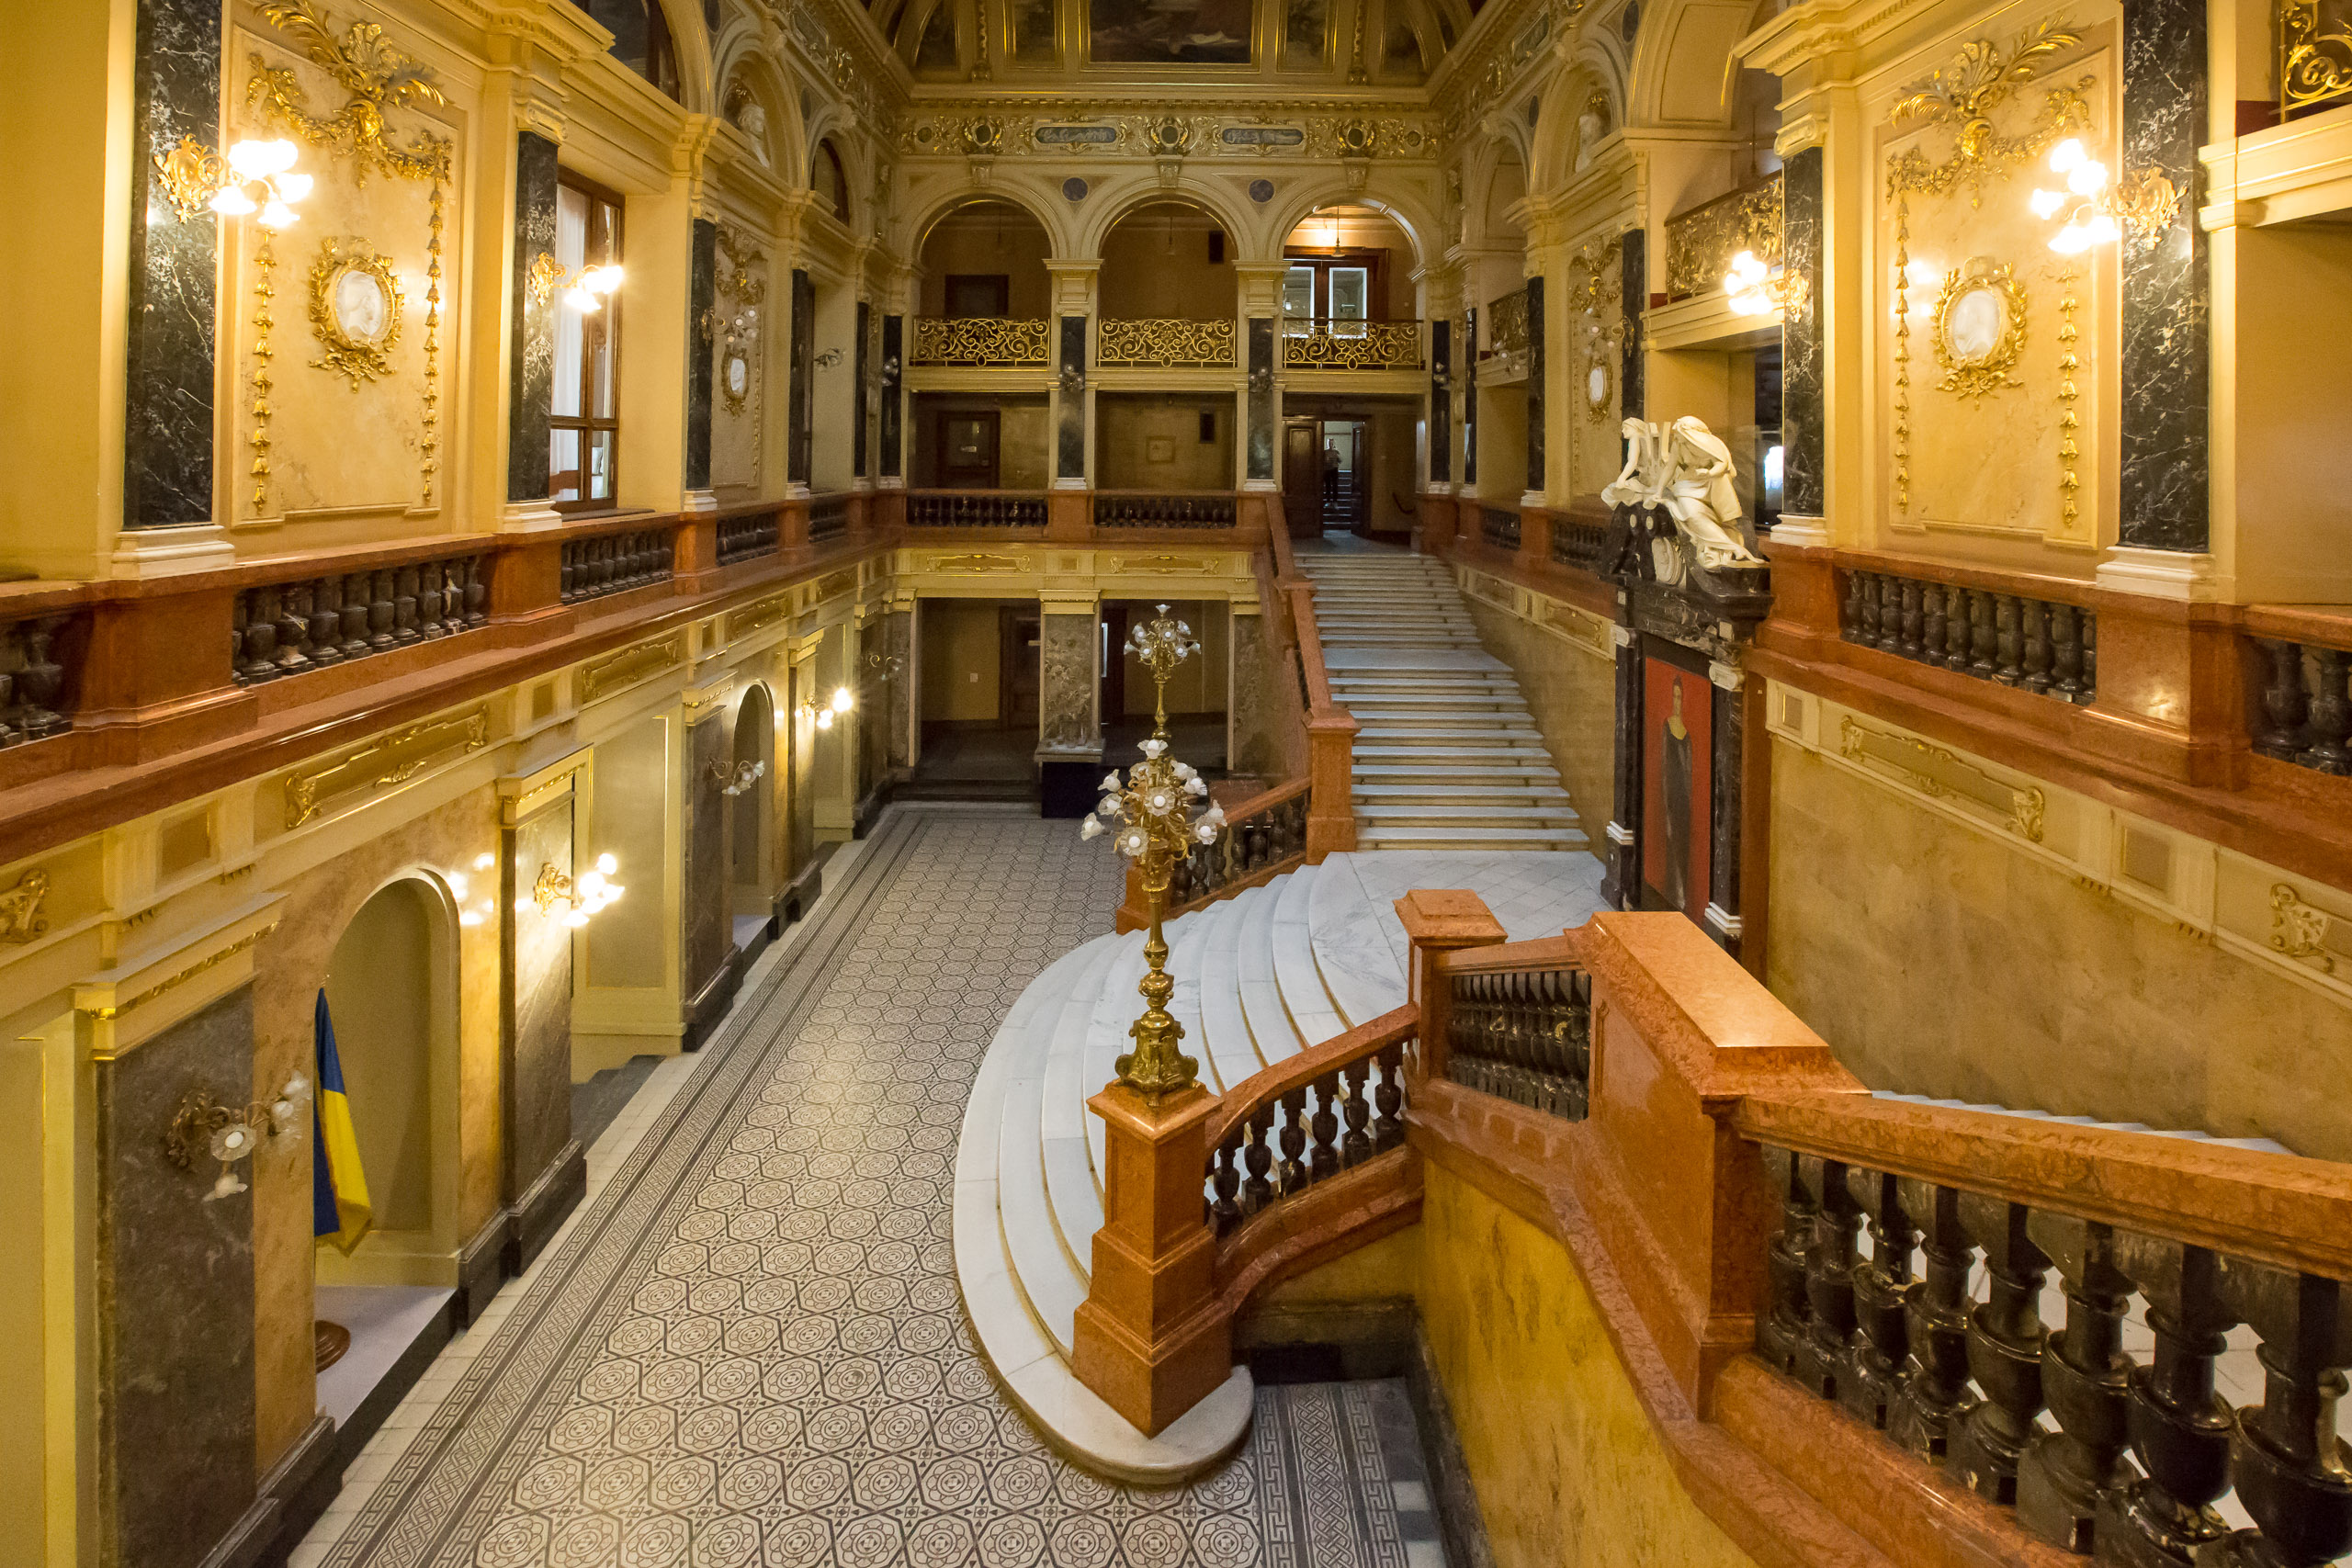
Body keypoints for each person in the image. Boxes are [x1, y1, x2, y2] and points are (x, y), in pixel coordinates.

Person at [1322, 442, 1341, 509]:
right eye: (1329, 443)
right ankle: (1328, 501)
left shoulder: (1336, 451)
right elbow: (1320, 460)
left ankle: (1335, 501)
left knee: (1335, 486)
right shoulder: (1325, 452)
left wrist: (1337, 457)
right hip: (1327, 470)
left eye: (1332, 443)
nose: (1330, 445)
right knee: (1328, 486)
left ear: (1333, 444)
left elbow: (1340, 460)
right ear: (1327, 444)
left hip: (1334, 469)